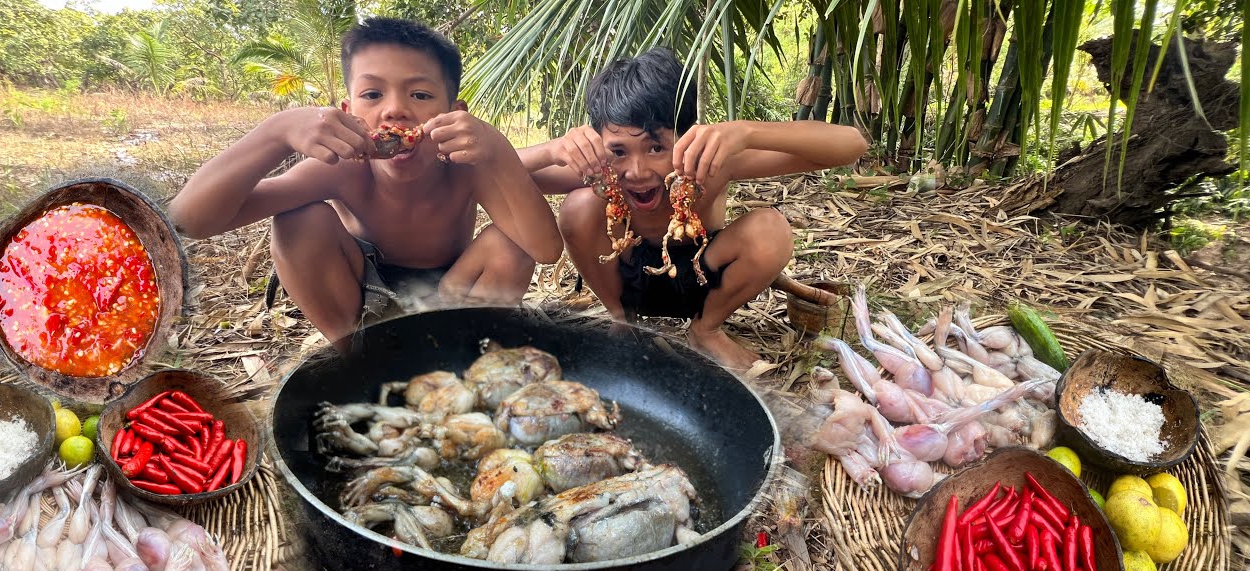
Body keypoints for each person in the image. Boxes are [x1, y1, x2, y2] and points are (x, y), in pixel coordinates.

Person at [169, 17, 562, 349]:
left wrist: (499, 151)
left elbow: (543, 249)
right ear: (348, 113)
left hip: (456, 293)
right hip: (365, 301)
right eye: (372, 94)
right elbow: (190, 220)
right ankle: (360, 359)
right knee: (297, 220)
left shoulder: (467, 167)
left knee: (512, 240)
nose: (395, 110)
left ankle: (460, 355)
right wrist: (277, 133)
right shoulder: (338, 170)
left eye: (420, 94)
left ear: (454, 114)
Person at [519, 48, 868, 371]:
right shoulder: (601, 169)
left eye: (656, 147)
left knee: (770, 229)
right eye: (619, 151)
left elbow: (852, 145)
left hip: (703, 281)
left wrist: (747, 132)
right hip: (627, 283)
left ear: (688, 137)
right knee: (578, 206)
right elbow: (500, 175)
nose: (636, 171)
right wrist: (552, 150)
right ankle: (623, 320)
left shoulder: (711, 163)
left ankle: (706, 329)